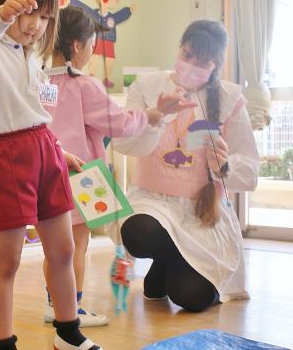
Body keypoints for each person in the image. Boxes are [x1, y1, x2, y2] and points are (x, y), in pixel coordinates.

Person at [0, 0, 102, 350]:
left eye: (42, 16)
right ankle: (4, 344)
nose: (33, 24)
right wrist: (3, 15)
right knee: (6, 260)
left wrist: (60, 150)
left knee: (63, 249)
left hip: (43, 150)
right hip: (5, 159)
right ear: (4, 3)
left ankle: (68, 334)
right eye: (27, 12)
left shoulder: (30, 57)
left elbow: (35, 114)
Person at [43, 5, 197, 327]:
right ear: (76, 45)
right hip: (81, 175)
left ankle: (53, 303)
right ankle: (72, 309)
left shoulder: (41, 82)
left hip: (46, 172)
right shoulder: (85, 85)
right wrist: (153, 115)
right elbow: (120, 124)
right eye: (91, 46)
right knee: (77, 247)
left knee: (55, 249)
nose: (91, 53)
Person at [111, 20, 260, 312]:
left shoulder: (230, 99)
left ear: (215, 65)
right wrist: (156, 117)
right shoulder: (147, 86)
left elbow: (251, 171)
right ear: (179, 49)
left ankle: (165, 268)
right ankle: (165, 262)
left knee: (191, 297)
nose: (191, 64)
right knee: (137, 232)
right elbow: (125, 144)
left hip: (202, 211)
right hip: (152, 201)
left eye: (202, 61)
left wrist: (224, 165)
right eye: (187, 54)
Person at [70, 0, 134, 88]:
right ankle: (92, 74)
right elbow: (84, 9)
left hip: (109, 40)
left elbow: (120, 16)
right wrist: (72, 1)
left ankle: (107, 78)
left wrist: (129, 10)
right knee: (94, 55)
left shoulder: (112, 18)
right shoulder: (93, 14)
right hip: (98, 38)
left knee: (110, 58)